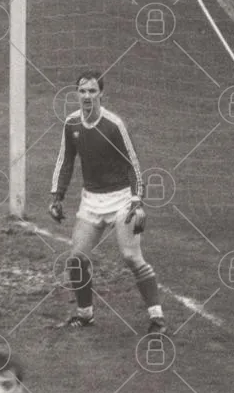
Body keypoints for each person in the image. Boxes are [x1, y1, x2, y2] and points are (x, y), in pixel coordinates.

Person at [49, 70, 167, 334]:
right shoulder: (71, 124)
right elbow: (65, 160)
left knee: (131, 257)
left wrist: (137, 200)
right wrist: (57, 196)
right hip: (91, 201)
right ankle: (85, 314)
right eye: (82, 91)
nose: (87, 96)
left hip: (121, 199)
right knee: (76, 259)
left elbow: (133, 164)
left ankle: (157, 317)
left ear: (101, 93)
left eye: (92, 91)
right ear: (76, 94)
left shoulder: (113, 125)